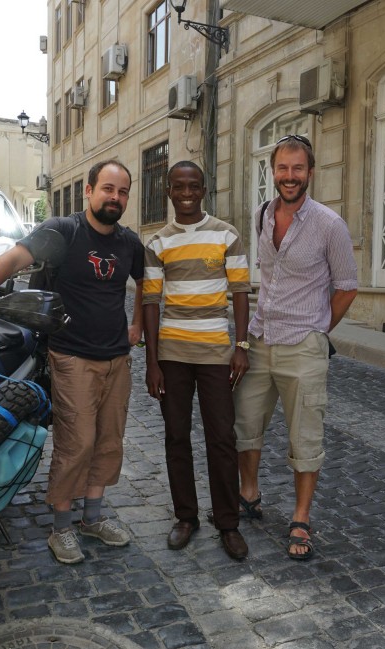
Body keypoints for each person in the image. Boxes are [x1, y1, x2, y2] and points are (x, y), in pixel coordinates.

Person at [0, 159, 144, 564]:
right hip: (72, 357)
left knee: (108, 442)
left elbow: (146, 284)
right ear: (89, 191)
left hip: (117, 358)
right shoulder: (62, 231)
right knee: (76, 444)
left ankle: (92, 518)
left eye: (123, 191)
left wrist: (138, 325)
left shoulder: (129, 243)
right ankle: (61, 527)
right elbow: (12, 260)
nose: (115, 197)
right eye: (108, 189)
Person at [233, 135, 358, 561]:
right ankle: (248, 494)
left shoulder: (329, 225)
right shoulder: (262, 216)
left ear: (310, 172)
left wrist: (320, 328)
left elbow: (347, 286)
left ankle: (301, 518)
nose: (290, 176)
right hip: (260, 338)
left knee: (305, 436)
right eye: (283, 168)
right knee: (245, 424)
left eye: (298, 169)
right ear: (273, 171)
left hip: (303, 345)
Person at [142, 161, 251, 561]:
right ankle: (186, 516)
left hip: (216, 353)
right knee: (176, 436)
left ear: (203, 189)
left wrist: (241, 345)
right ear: (168, 191)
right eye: (178, 186)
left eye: (193, 186)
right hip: (172, 354)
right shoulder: (157, 243)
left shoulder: (226, 234)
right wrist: (152, 362)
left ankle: (229, 522)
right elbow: (151, 302)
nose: (185, 192)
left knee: (222, 437)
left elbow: (240, 291)